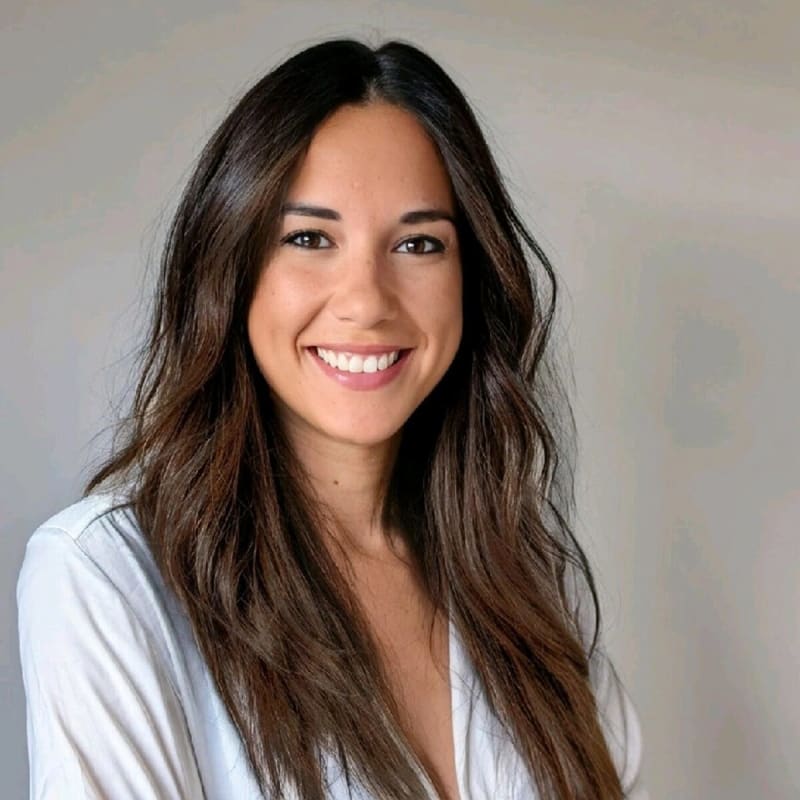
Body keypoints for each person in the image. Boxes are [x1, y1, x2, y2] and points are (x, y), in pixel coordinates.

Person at [17, 38, 646, 800]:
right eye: (309, 238)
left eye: (419, 243)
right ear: (230, 266)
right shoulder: (108, 579)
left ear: (470, 280)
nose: (367, 300)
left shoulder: (529, 588)